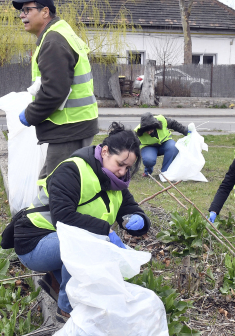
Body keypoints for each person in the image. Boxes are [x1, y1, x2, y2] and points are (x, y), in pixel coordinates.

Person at [12, 123, 150, 321]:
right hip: (34, 243)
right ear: (104, 152)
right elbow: (64, 217)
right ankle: (67, 309)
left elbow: (130, 208)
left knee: (94, 258)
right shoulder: (71, 171)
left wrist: (140, 220)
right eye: (120, 164)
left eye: (128, 167)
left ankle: (57, 281)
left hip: (60, 242)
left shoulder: (115, 182)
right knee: (87, 241)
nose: (122, 172)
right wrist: (106, 232)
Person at [13, 0, 99, 178]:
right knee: (65, 183)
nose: (22, 15)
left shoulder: (53, 40)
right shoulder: (60, 33)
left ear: (45, 12)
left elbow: (55, 92)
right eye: (22, 11)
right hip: (76, 124)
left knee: (57, 187)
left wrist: (30, 115)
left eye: (27, 10)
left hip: (70, 127)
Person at [134, 112, 190, 177]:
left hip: (165, 144)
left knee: (173, 147)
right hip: (148, 147)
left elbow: (174, 124)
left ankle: (165, 173)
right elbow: (132, 147)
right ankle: (148, 172)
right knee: (148, 160)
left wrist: (186, 131)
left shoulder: (162, 120)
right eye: (146, 131)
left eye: (150, 130)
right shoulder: (138, 131)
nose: (149, 132)